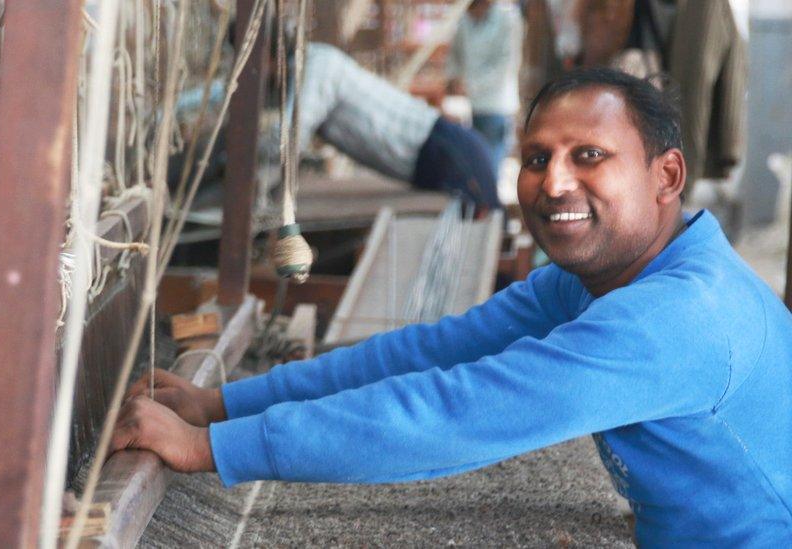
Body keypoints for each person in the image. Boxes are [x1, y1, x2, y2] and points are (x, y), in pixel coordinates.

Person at [111, 68, 792, 546]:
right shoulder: (601, 277)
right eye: (536, 157)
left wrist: (210, 448)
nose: (554, 182)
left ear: (665, 175)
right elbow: (432, 352)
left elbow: (453, 412)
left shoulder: (672, 318)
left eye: (589, 155)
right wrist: (228, 404)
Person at [293, 42, 501, 213]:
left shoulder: (318, 65)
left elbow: (292, 136)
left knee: (488, 219)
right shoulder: (314, 66)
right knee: (484, 220)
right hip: (432, 155)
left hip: (441, 145)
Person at [445, 0, 523, 176]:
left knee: (489, 164)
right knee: (473, 161)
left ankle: (487, 201)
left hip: (496, 104)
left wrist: (471, 85)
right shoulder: (464, 19)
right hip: (468, 104)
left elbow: (506, 65)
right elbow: (454, 55)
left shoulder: (508, 18)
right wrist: (454, 78)